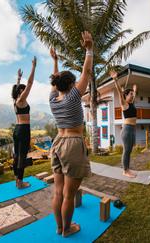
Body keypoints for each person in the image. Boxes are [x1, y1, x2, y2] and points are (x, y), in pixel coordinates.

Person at [49, 31, 93, 237]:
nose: (77, 85)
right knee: (69, 194)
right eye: (74, 83)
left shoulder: (53, 99)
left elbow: (54, 82)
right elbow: (87, 70)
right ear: (70, 85)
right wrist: (89, 49)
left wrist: (55, 61)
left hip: (57, 144)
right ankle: (67, 229)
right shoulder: (74, 96)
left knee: (58, 191)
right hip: (73, 144)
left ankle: (59, 227)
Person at [12, 57, 37, 189]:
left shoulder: (15, 101)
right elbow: (30, 83)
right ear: (21, 91)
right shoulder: (21, 100)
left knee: (17, 155)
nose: (24, 90)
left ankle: (17, 179)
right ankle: (20, 183)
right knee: (22, 156)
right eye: (22, 89)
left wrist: (18, 78)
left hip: (17, 130)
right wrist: (34, 67)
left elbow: (18, 88)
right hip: (23, 130)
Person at [110, 70, 137, 178]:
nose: (132, 95)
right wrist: (115, 80)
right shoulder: (124, 104)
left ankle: (128, 169)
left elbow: (133, 98)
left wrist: (134, 90)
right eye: (131, 94)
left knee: (129, 151)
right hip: (127, 129)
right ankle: (125, 171)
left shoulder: (131, 104)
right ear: (125, 96)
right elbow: (119, 92)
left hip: (132, 129)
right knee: (126, 151)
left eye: (133, 94)